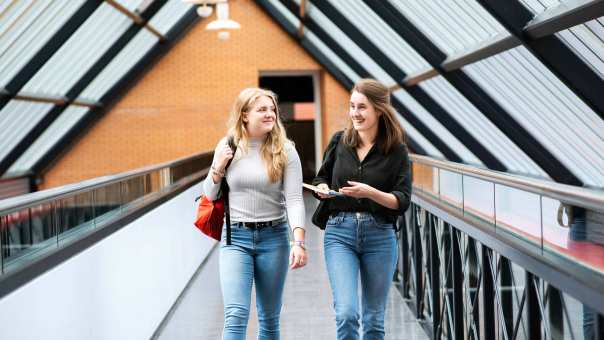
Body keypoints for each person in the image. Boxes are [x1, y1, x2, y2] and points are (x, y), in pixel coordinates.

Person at [203, 87, 307, 340]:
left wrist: (299, 242)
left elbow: (294, 199)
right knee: (236, 314)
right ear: (245, 115)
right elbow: (210, 194)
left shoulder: (285, 149)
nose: (270, 114)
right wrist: (217, 168)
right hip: (235, 238)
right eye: (262, 109)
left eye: (272, 109)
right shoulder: (227, 146)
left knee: (269, 318)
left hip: (274, 238)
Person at [312, 78, 411, 340]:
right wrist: (321, 189)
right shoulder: (339, 141)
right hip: (339, 232)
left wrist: (371, 193)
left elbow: (402, 200)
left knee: (373, 320)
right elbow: (320, 177)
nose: (355, 113)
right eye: (352, 106)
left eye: (362, 107)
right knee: (346, 313)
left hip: (380, 236)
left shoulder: (397, 150)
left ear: (379, 110)